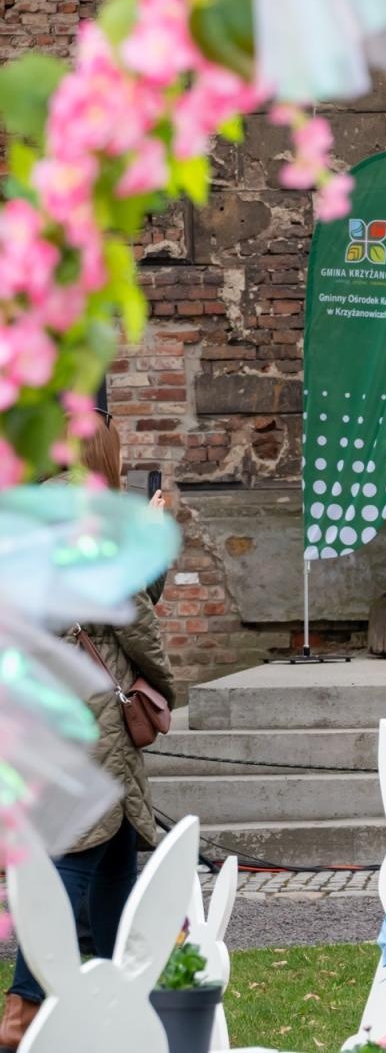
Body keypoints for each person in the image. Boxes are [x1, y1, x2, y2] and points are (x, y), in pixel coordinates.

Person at [0, 415, 179, 1051]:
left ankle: (120, 994)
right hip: (95, 702)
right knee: (78, 852)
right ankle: (23, 1007)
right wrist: (164, 685)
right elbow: (133, 616)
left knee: (114, 846)